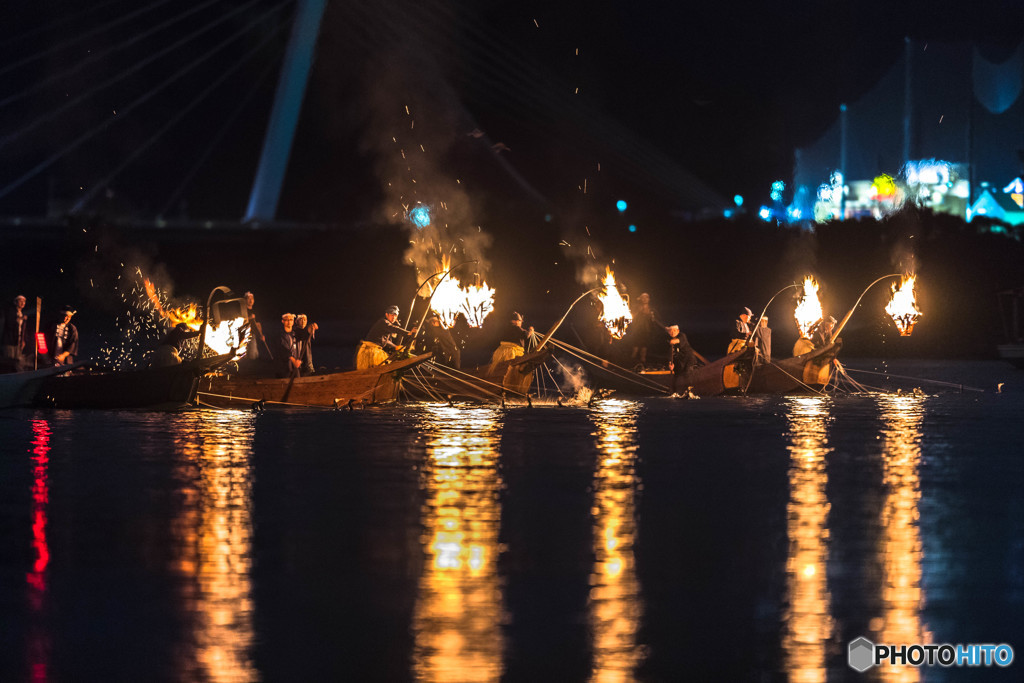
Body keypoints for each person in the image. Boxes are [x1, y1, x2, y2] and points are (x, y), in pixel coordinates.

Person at [357, 305, 416, 370]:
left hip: (375, 349)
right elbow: (393, 328)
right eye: (391, 315)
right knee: (374, 369)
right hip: (370, 350)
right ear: (387, 315)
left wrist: (395, 346)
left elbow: (386, 340)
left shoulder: (386, 325)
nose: (393, 317)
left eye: (395, 315)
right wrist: (408, 333)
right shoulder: (383, 322)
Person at [627, 292, 661, 370]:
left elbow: (656, 320)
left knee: (644, 349)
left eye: (646, 297)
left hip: (647, 331)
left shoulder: (651, 309)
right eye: (643, 297)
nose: (645, 299)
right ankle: (631, 365)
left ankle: (643, 365)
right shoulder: (636, 307)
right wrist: (638, 311)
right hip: (637, 330)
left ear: (649, 299)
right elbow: (631, 316)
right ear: (640, 299)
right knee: (635, 349)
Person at [1, 295, 28, 371]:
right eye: (20, 301)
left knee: (17, 360)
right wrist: (20, 318)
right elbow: (9, 324)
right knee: (9, 360)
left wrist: (23, 340)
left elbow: (22, 329)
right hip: (9, 341)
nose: (23, 303)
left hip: (17, 341)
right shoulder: (11, 311)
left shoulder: (21, 313)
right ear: (16, 302)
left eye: (24, 301)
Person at [277, 313, 302, 378]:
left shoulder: (295, 333)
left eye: (291, 320)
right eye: (287, 320)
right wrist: (293, 360)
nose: (289, 322)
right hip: (284, 367)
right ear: (283, 321)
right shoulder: (280, 335)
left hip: (296, 365)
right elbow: (284, 349)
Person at [244, 291, 267, 361]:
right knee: (245, 355)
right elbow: (240, 321)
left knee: (254, 355)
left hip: (252, 335)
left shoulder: (255, 311)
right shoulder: (242, 310)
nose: (251, 300)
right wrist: (249, 318)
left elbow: (258, 324)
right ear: (245, 300)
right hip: (243, 335)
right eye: (248, 298)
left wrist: (261, 334)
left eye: (252, 299)